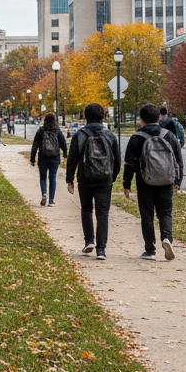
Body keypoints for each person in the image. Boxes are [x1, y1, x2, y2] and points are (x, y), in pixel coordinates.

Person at [124, 103, 183, 260]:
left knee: (147, 215)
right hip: (167, 180)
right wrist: (178, 179)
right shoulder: (169, 135)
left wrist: (126, 184)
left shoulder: (137, 137)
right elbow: (178, 159)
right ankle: (166, 238)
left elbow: (129, 163)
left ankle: (150, 250)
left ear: (140, 119)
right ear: (159, 117)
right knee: (165, 212)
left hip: (145, 181)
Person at [65, 103, 120, 260]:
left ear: (85, 116)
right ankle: (101, 249)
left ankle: (89, 241)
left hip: (85, 177)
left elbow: (72, 158)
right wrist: (113, 176)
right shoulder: (109, 135)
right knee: (103, 213)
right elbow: (116, 159)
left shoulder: (80, 135)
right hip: (105, 179)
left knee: (86, 209)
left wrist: (70, 179)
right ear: (103, 116)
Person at [30, 112, 68, 206]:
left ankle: (44, 194)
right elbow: (63, 143)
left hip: (43, 157)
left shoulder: (41, 131)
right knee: (52, 178)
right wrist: (65, 154)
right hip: (55, 158)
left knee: (43, 177)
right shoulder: (57, 131)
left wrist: (32, 158)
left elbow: (35, 145)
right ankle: (51, 201)